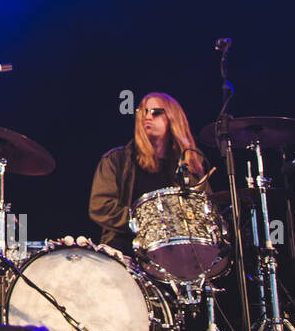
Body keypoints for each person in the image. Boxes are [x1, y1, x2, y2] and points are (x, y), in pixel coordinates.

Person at [89, 92, 215, 254]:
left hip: (177, 251)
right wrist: (147, 223)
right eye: (144, 112)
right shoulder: (117, 159)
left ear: (172, 118)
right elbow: (101, 207)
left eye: (156, 112)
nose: (147, 117)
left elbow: (205, 210)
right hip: (126, 249)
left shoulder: (188, 163)